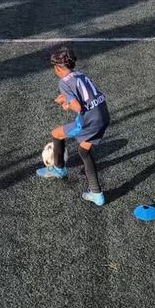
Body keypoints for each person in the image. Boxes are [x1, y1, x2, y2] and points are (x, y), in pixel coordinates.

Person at [37, 47, 110, 207]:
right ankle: (97, 194)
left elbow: (77, 107)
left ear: (58, 68)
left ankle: (59, 169)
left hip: (89, 121)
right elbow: (87, 96)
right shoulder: (80, 75)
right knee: (84, 151)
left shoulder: (63, 82)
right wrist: (67, 100)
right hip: (103, 115)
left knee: (56, 134)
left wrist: (66, 103)